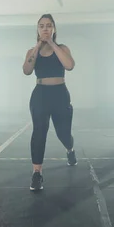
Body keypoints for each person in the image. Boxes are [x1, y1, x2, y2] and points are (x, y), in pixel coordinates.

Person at [22, 14, 76, 191]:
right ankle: (37, 173)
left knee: (63, 133)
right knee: (39, 130)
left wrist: (51, 43)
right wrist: (38, 45)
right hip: (40, 95)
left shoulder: (62, 48)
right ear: (37, 30)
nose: (45, 28)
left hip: (60, 95)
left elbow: (69, 65)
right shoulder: (32, 51)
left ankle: (70, 148)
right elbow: (27, 70)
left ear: (53, 29)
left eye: (48, 26)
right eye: (41, 26)